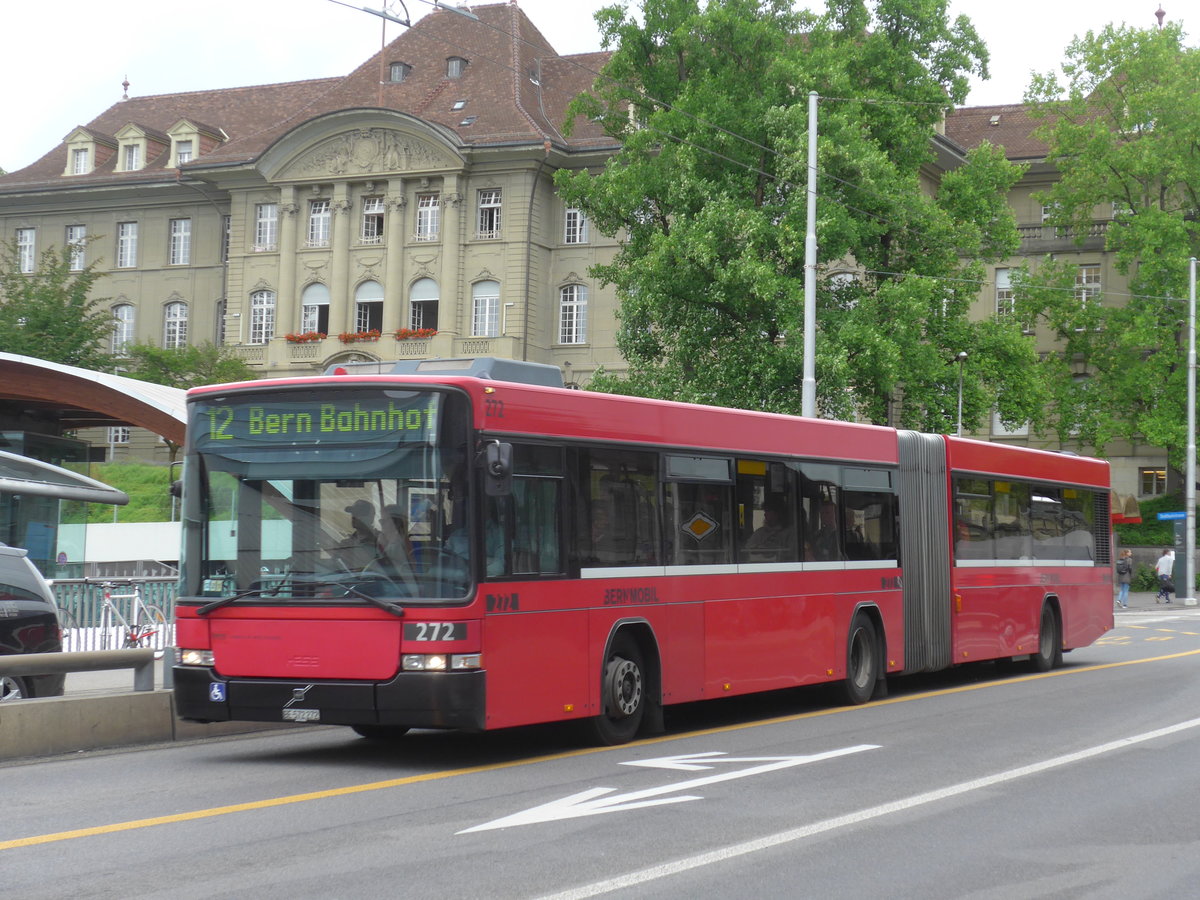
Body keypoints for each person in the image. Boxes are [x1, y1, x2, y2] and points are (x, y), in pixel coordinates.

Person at [331, 499, 379, 570]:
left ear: (371, 517)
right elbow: (333, 567)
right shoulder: (345, 543)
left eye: (359, 513)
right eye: (353, 513)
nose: (353, 516)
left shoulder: (380, 540)